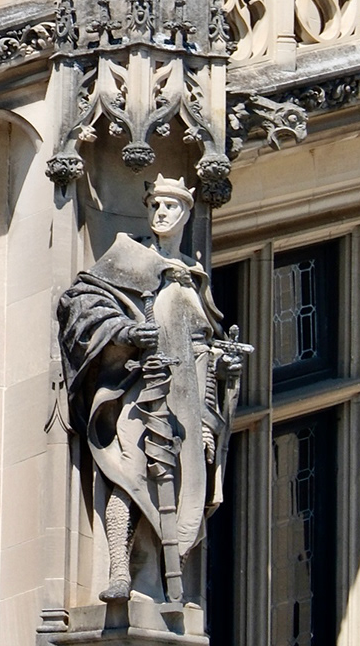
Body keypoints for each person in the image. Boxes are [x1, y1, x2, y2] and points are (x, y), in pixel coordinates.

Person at [55, 172, 242, 607]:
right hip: (143, 389)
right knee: (130, 474)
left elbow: (205, 344)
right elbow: (79, 304)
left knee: (180, 487)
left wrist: (223, 373)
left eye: (171, 206)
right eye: (155, 204)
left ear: (187, 214)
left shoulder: (194, 280)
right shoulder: (129, 259)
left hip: (191, 402)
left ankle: (160, 580)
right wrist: (125, 334)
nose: (161, 213)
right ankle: (120, 569)